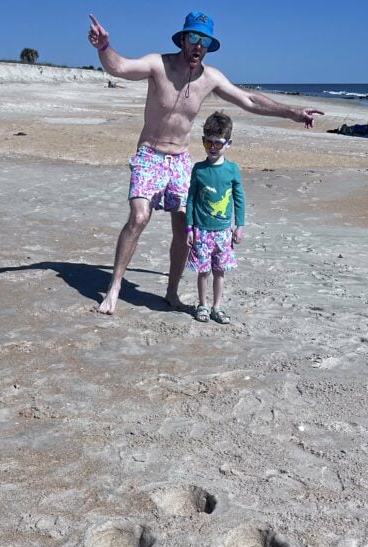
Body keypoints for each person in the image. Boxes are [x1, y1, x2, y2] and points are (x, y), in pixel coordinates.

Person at [87, 11, 323, 314]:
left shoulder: (210, 78)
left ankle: (171, 292)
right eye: (194, 38)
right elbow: (119, 67)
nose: (199, 45)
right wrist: (104, 47)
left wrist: (292, 112)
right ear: (183, 39)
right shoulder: (158, 65)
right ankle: (115, 287)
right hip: (150, 154)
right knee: (139, 216)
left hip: (181, 160)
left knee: (185, 226)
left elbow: (249, 100)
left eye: (205, 41)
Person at [185, 111, 244, 324]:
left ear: (228, 143)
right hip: (201, 230)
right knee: (203, 271)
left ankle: (216, 307)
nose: (212, 147)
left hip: (223, 232)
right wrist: (189, 228)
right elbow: (190, 199)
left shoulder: (232, 170)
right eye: (207, 142)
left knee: (220, 271)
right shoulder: (199, 170)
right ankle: (202, 304)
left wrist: (240, 225)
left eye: (217, 144)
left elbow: (239, 199)